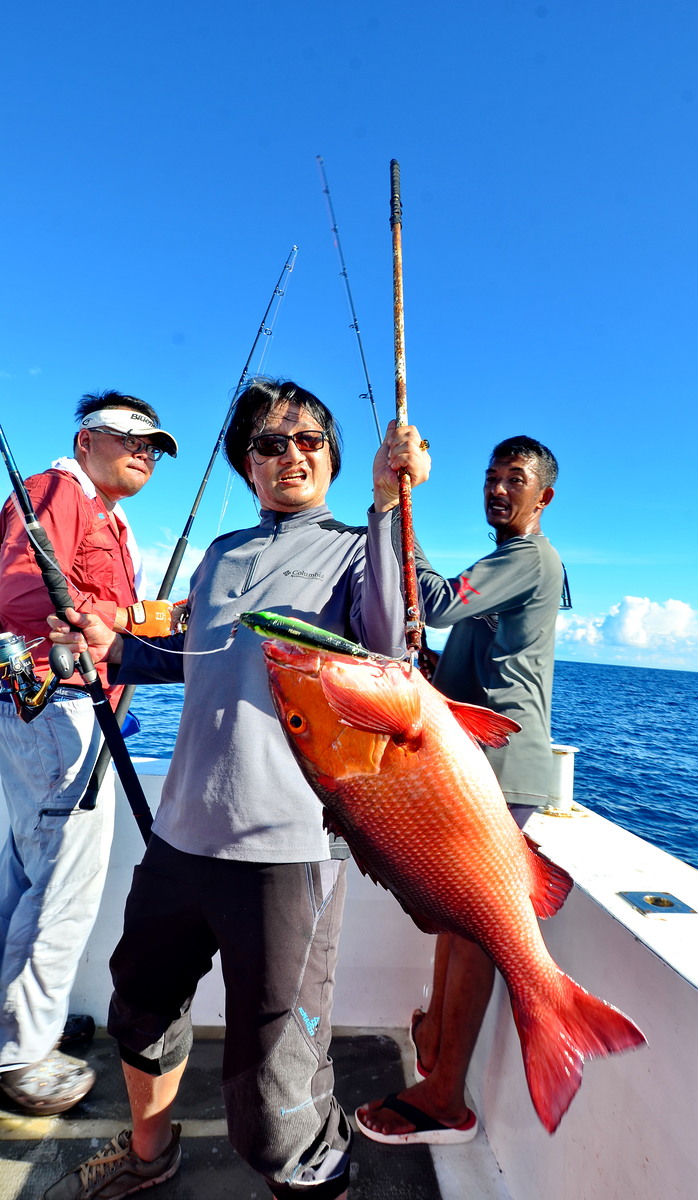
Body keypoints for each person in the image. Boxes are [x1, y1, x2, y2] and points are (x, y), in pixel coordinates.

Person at [43, 377, 431, 1200]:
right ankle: (150, 1157)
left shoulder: (362, 549)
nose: (289, 453)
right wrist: (110, 646)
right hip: (180, 839)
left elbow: (392, 642)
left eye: (307, 440)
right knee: (141, 1012)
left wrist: (390, 504)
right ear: (246, 466)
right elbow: (190, 657)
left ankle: (319, 1181)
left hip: (287, 851)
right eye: (268, 442)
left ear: (330, 457)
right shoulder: (222, 555)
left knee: (275, 1085)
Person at [356, 434, 562, 1146]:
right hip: (475, 766)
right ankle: (438, 1041)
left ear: (544, 497)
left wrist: (397, 508)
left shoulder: (527, 557)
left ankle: (445, 1097)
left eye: (515, 479)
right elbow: (470, 646)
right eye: (491, 477)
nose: (498, 489)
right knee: (453, 920)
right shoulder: (508, 567)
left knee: (473, 931)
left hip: (502, 774)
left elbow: (437, 601)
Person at [0, 393, 177, 1116]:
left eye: (156, 444)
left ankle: (17, 1025)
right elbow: (16, 593)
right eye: (130, 435)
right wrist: (122, 617)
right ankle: (21, 1055)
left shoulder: (107, 515)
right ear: (85, 440)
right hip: (57, 712)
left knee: (29, 875)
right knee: (63, 884)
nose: (146, 451)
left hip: (65, 714)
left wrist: (162, 621)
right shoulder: (58, 491)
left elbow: (106, 617)